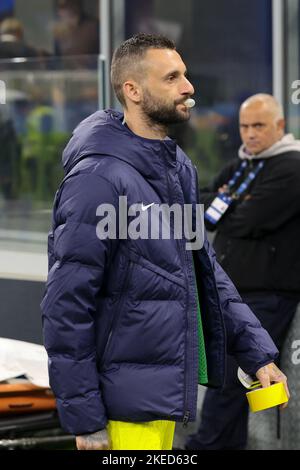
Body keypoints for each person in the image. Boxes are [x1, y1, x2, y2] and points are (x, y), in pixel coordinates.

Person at [41, 35, 288, 451]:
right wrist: (85, 420)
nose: (188, 87)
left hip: (163, 400)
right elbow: (66, 306)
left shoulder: (177, 169)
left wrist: (256, 352)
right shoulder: (97, 179)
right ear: (133, 91)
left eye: (185, 75)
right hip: (118, 414)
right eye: (172, 77)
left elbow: (204, 274)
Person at [186, 94, 300, 450]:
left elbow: (250, 220)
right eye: (244, 127)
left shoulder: (292, 167)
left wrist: (228, 204)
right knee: (226, 380)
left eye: (259, 126)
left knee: (238, 378)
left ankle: (205, 447)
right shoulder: (240, 166)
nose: (250, 135)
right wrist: (231, 204)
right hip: (231, 292)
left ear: (280, 126)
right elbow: (197, 204)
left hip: (269, 294)